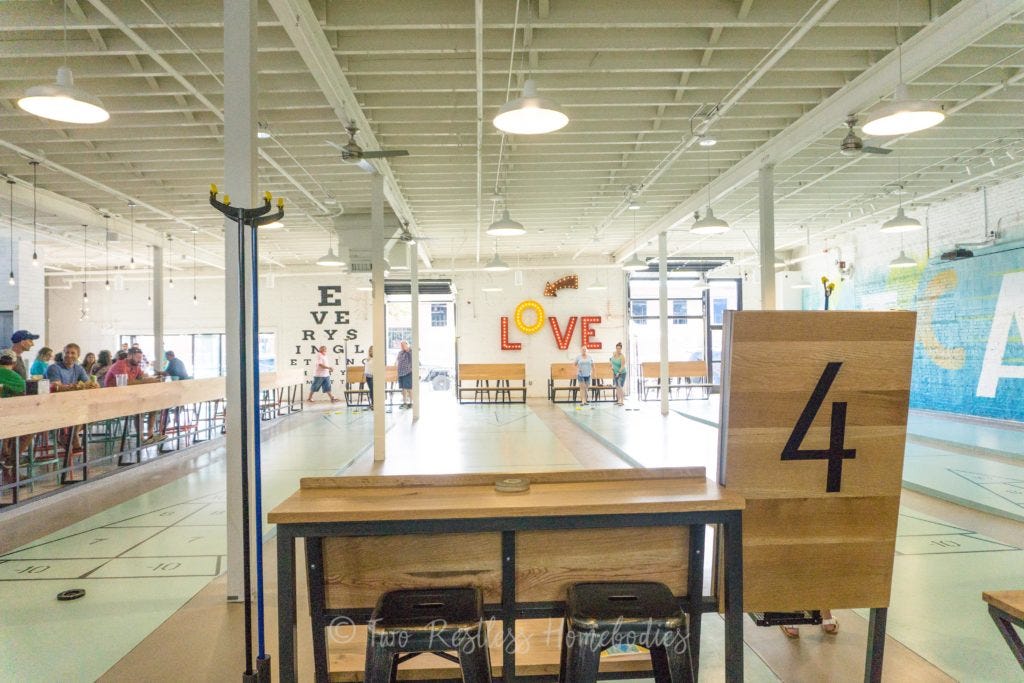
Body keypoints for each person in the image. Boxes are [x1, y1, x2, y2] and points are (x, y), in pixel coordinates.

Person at [396, 340, 413, 408]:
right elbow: (397, 360)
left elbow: (411, 355)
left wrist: (407, 349)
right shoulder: (400, 352)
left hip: (407, 372)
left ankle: (411, 402)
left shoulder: (409, 352)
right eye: (401, 345)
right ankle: (405, 402)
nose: (402, 346)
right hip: (400, 373)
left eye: (404, 345)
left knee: (409, 388)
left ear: (407, 345)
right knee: (403, 389)